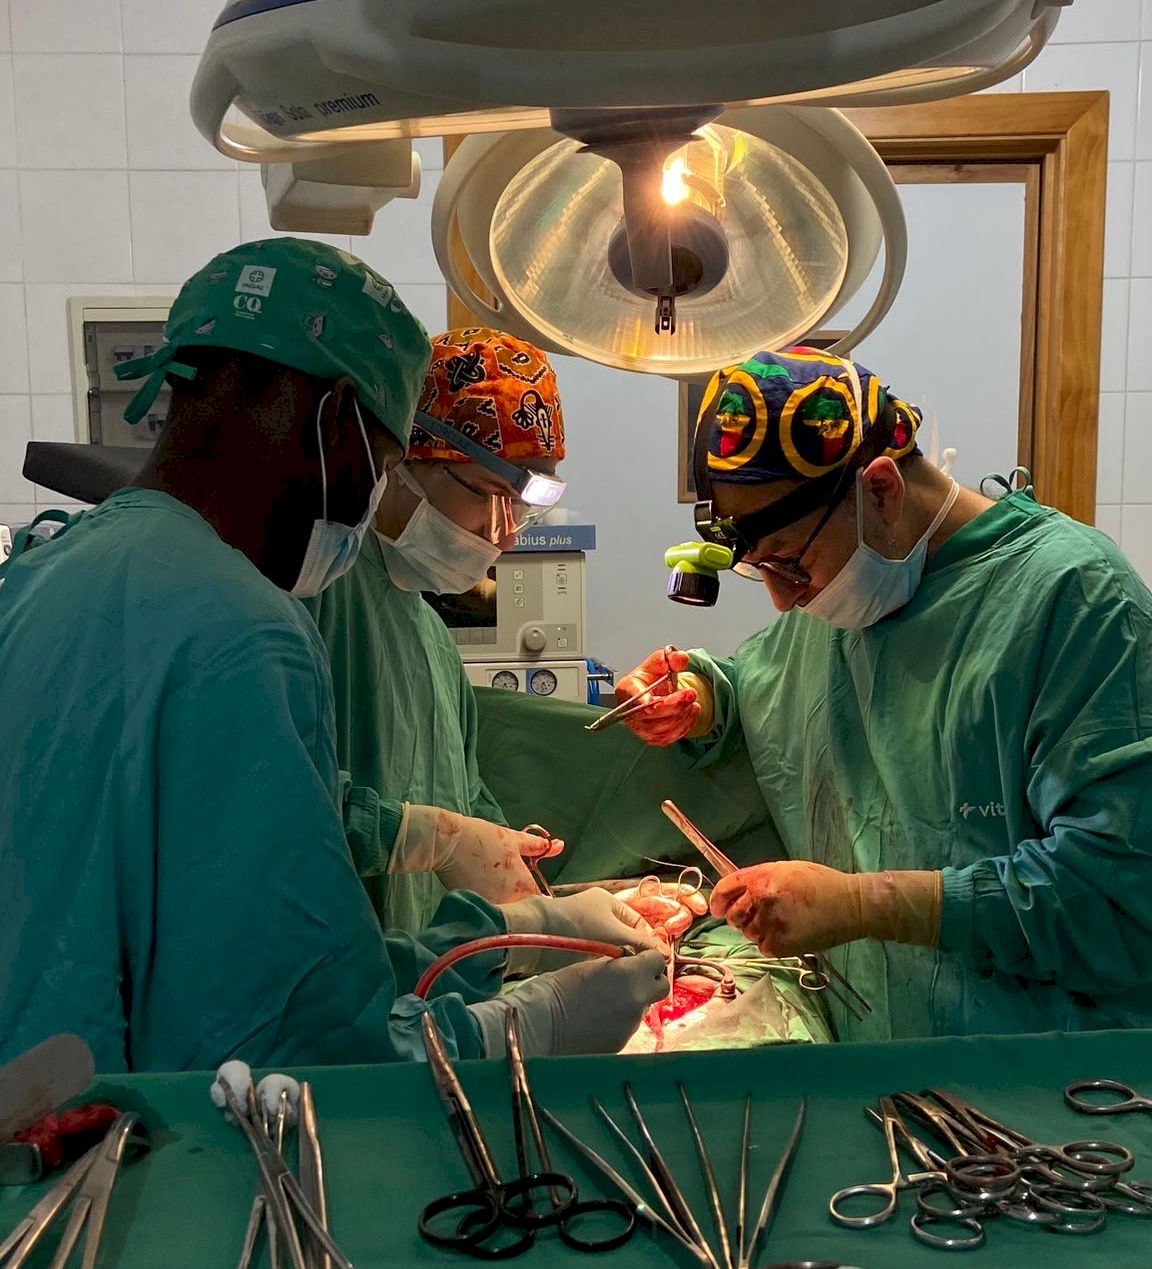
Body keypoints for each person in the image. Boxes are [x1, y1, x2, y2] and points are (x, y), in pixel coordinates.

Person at [0, 240, 665, 1074]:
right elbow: (300, 1032)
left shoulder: (44, 575)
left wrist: (512, 929)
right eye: (382, 463)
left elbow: (237, 934)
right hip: (135, 1120)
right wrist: (522, 1028)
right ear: (338, 420)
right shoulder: (245, 627)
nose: (366, 491)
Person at [616, 345, 1152, 1041]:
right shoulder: (849, 599)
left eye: (790, 564)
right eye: (759, 570)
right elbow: (767, 687)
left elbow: (1119, 895)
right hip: (877, 1067)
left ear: (880, 490)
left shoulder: (1077, 600)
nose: (783, 600)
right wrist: (697, 696)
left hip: (1046, 1077)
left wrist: (866, 904)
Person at [306, 326, 565, 930]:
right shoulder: (314, 598)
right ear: (402, 461)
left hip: (429, 974)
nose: (504, 535)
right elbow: (269, 806)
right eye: (491, 495)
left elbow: (463, 802)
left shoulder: (432, 640)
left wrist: (519, 882)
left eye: (521, 509)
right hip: (337, 969)